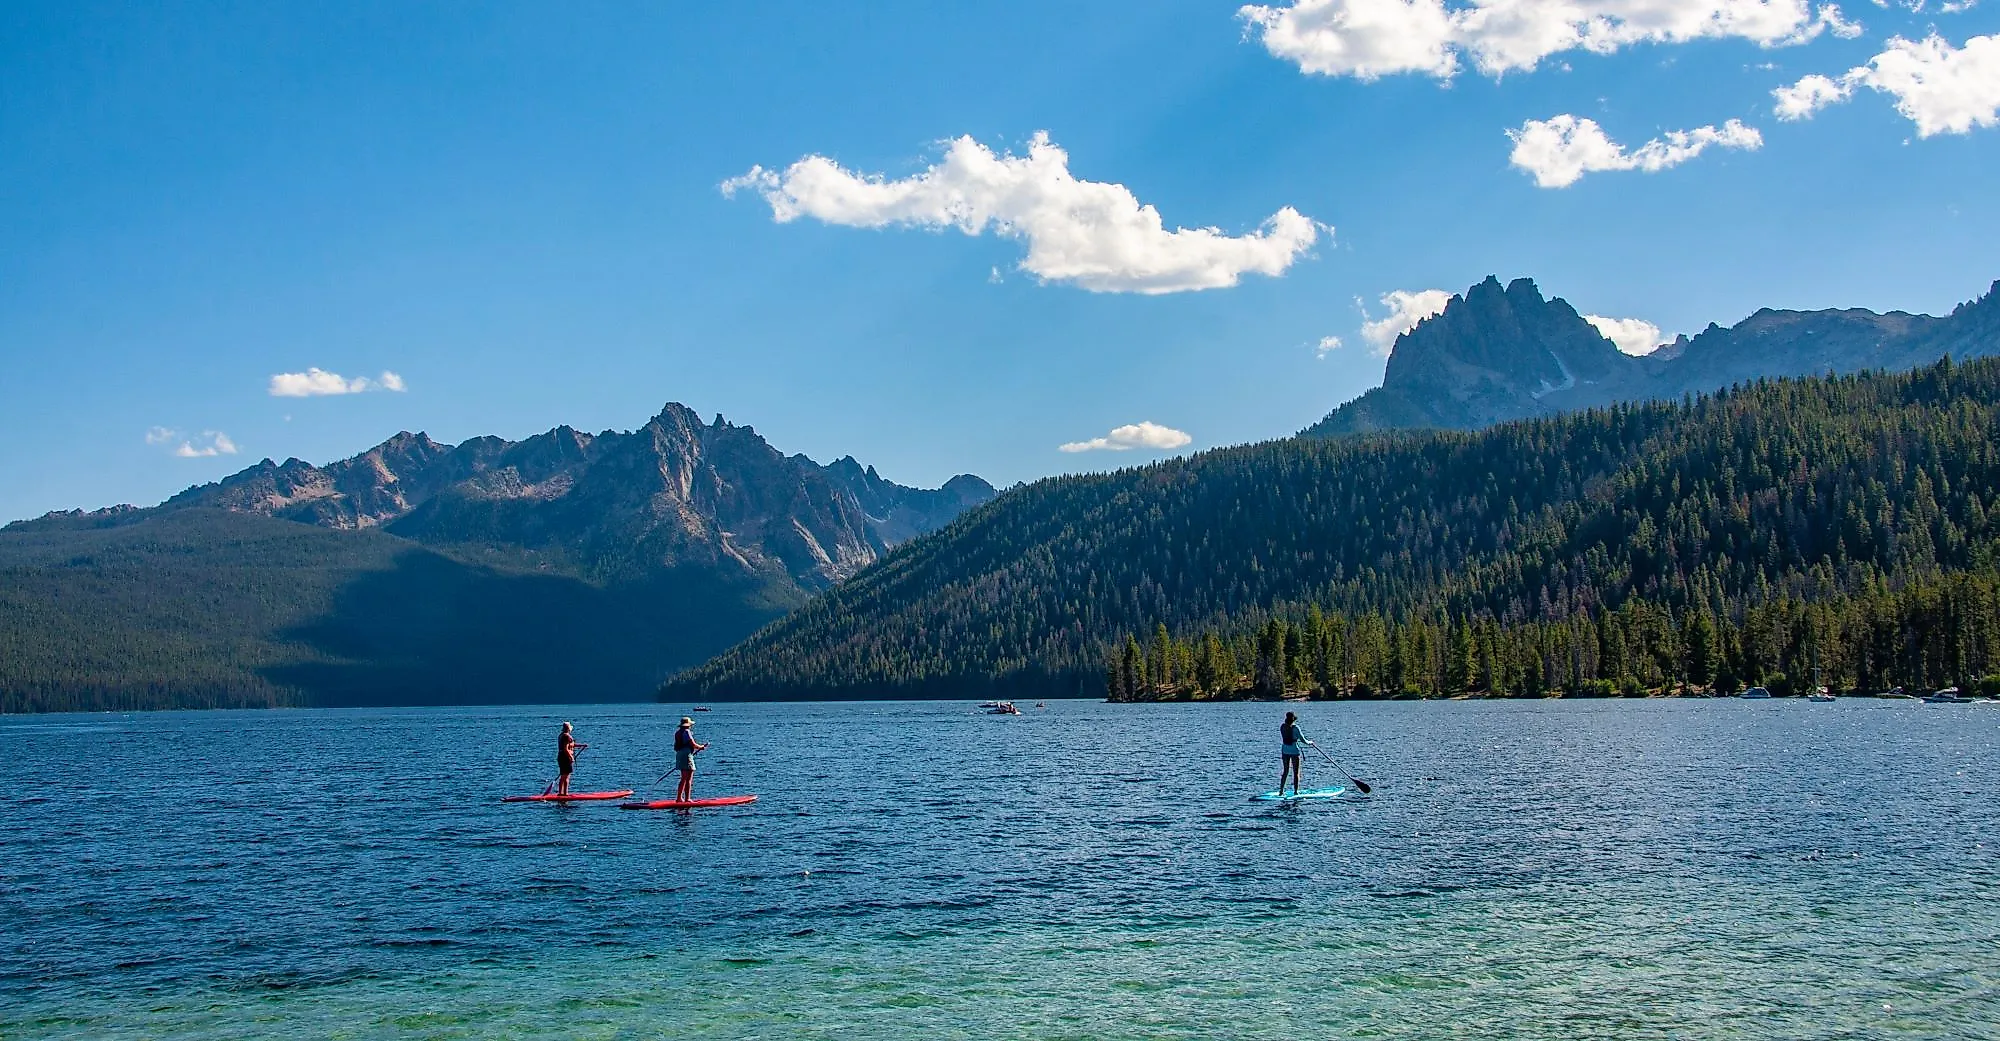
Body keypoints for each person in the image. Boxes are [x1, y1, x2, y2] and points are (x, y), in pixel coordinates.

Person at [673, 716, 708, 802]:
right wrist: (701, 747)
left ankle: (679, 798)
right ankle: (687, 799)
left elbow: (676, 746)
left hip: (679, 754)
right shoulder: (687, 732)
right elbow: (692, 744)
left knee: (683, 778)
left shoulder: (678, 733)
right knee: (688, 778)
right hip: (686, 754)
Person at [555, 722, 588, 796]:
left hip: (561, 756)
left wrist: (582, 745)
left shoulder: (561, 735)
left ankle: (560, 792)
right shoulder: (567, 736)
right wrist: (571, 757)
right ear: (569, 729)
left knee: (563, 775)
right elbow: (566, 748)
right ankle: (565, 793)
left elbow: (571, 745)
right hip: (565, 757)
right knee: (566, 776)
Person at [1279, 711, 1305, 796]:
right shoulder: (1296, 728)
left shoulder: (1282, 727)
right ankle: (1296, 791)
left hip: (1285, 751)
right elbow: (1303, 740)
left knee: (1285, 771)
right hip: (1294, 751)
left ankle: (1281, 791)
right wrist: (1310, 742)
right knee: (1296, 772)